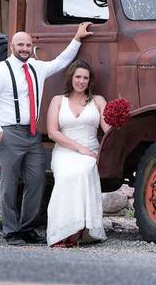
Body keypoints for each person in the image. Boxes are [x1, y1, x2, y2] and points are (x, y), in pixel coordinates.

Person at [0, 22, 92, 246]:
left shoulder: (36, 68)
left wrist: (77, 38)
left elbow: (61, 61)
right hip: (9, 132)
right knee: (9, 183)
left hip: (32, 134)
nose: (24, 48)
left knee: (36, 180)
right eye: (20, 44)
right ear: (12, 46)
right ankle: (11, 231)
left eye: (28, 45)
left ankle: (27, 228)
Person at [45, 60, 110, 248]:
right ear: (71, 78)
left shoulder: (98, 101)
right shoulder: (58, 100)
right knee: (66, 175)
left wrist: (118, 121)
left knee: (84, 170)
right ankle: (62, 230)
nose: (81, 81)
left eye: (85, 78)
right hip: (64, 151)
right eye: (78, 77)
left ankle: (81, 229)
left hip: (90, 152)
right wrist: (79, 148)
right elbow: (52, 132)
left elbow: (108, 129)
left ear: (90, 81)